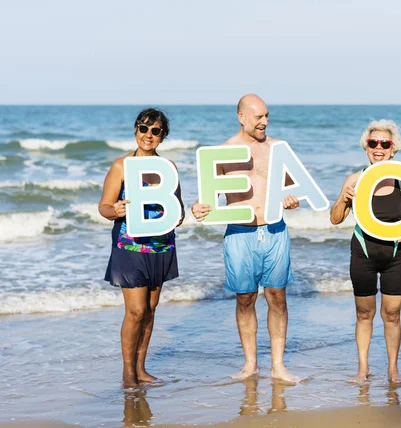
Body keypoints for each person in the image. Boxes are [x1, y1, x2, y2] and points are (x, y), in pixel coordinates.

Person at [192, 94, 300, 383]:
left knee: (277, 297)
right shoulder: (223, 152)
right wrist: (198, 207)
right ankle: (250, 364)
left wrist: (291, 200)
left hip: (275, 229)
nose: (264, 122)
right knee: (245, 298)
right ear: (241, 117)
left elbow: (292, 187)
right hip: (240, 233)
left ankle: (278, 366)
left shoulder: (278, 149)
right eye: (258, 117)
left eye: (267, 116)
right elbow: (207, 198)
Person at [330, 120, 401, 383]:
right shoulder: (355, 179)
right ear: (366, 147)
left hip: (395, 254)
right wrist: (344, 198)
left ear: (393, 150)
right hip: (363, 254)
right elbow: (335, 218)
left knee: (392, 314)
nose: (378, 148)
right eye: (373, 143)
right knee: (363, 313)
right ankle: (363, 369)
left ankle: (393, 369)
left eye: (385, 143)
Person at [99, 108, 184, 387]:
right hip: (130, 246)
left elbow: (176, 207)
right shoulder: (122, 166)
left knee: (150, 309)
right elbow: (104, 206)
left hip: (161, 245)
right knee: (135, 311)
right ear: (135, 130)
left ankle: (141, 369)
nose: (148, 135)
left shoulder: (168, 169)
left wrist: (180, 215)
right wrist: (115, 210)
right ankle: (127, 373)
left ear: (163, 136)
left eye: (155, 130)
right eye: (143, 128)